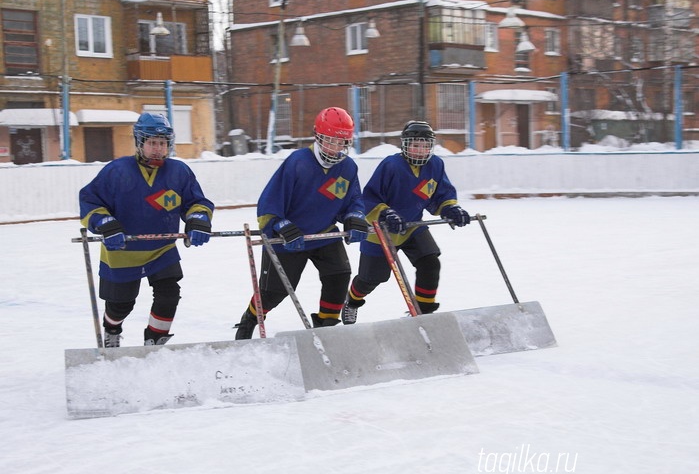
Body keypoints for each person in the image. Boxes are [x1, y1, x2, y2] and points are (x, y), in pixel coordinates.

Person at [79, 112, 214, 347]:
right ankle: (112, 330)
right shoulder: (116, 171)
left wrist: (199, 219)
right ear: (140, 143)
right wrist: (105, 224)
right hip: (122, 250)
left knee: (169, 294)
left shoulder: (179, 172)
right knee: (121, 305)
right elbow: (90, 201)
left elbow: (196, 202)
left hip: (161, 250)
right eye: (152, 143)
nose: (158, 149)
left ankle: (154, 341)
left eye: (162, 143)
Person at [235, 107, 368, 339]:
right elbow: (268, 204)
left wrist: (355, 217)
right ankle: (249, 320)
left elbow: (353, 200)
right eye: (330, 141)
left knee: (339, 274)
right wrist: (280, 224)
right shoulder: (298, 162)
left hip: (324, 233)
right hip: (287, 238)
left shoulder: (348, 168)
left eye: (342, 142)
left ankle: (326, 327)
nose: (336, 148)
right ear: (318, 137)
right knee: (274, 292)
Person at [341, 120, 471, 324]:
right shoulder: (391, 165)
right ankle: (352, 302)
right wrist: (386, 214)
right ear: (405, 145)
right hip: (380, 232)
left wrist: (450, 207)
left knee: (430, 262)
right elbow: (370, 197)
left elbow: (440, 193)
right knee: (371, 279)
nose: (421, 151)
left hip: (411, 227)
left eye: (425, 145)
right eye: (415, 145)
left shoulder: (436, 165)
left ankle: (424, 313)